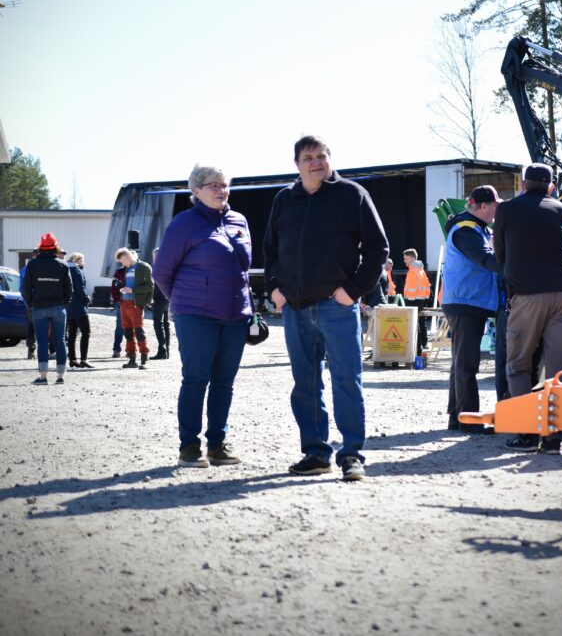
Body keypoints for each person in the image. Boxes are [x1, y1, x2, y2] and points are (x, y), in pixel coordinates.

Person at [264, 135, 389, 481]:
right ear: (297, 164)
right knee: (305, 383)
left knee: (347, 380)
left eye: (322, 156)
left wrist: (353, 291)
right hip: (295, 309)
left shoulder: (352, 195)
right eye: (309, 157)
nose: (316, 162)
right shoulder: (284, 200)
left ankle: (351, 455)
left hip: (337, 307)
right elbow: (270, 251)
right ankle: (316, 453)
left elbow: (378, 249)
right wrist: (275, 288)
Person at [154, 164, 252, 468]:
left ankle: (217, 445)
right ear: (196, 191)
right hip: (196, 315)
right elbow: (161, 272)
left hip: (236, 315)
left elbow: (245, 267)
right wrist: (185, 302)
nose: (221, 190)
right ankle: (189, 447)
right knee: (196, 379)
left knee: (225, 382)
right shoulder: (183, 224)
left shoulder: (239, 220)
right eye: (214, 185)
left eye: (225, 185)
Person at [492, 163, 562, 453]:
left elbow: (500, 252)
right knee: (559, 370)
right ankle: (554, 436)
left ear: (523, 184)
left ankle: (527, 434)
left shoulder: (507, 210)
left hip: (527, 295)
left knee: (518, 364)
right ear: (551, 186)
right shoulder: (561, 210)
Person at [442, 185, 502, 433]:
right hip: (466, 303)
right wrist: (521, 261)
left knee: (461, 363)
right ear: (483, 206)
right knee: (466, 364)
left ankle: (458, 417)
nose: (496, 212)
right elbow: (487, 260)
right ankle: (468, 421)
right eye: (495, 206)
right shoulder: (467, 230)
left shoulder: (473, 228)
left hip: (465, 301)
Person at [20, 233, 71, 385]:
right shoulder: (62, 264)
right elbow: (69, 289)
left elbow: (25, 288)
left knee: (41, 341)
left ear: (40, 248)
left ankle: (43, 377)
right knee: (60, 341)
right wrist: (64, 304)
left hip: (39, 307)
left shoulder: (33, 264)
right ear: (56, 247)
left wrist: (30, 303)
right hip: (58, 307)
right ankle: (60, 376)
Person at [114, 248, 153, 369]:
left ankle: (144, 359)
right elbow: (130, 285)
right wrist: (123, 287)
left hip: (135, 304)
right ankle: (132, 359)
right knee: (128, 332)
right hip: (124, 303)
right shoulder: (128, 268)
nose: (122, 263)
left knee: (138, 330)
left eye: (122, 261)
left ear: (128, 257)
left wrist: (132, 290)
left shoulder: (143, 266)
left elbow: (150, 286)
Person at [65, 252, 94, 369]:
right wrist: (87, 298)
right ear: (76, 261)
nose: (83, 263)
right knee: (86, 333)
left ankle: (72, 359)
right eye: (82, 260)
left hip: (69, 308)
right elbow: (80, 288)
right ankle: (83, 360)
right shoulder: (77, 271)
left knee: (72, 334)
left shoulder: (65, 271)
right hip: (79, 308)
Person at [402, 248, 431, 356]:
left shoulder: (413, 270)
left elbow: (412, 288)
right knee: (421, 323)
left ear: (412, 258)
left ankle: (417, 349)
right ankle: (423, 344)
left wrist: (408, 300)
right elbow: (426, 286)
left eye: (406, 258)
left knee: (414, 325)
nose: (404, 260)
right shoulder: (420, 269)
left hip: (413, 301)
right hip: (420, 299)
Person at [150, 247, 172, 360]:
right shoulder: (168, 266)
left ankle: (162, 351)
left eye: (154, 256)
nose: (153, 258)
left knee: (158, 324)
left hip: (159, 299)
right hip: (167, 298)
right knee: (165, 324)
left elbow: (156, 286)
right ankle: (166, 350)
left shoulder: (158, 267)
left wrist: (150, 298)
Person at [20, 251, 38, 360]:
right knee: (35, 324)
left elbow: (22, 287)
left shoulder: (26, 268)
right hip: (34, 300)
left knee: (32, 325)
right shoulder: (31, 268)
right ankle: (33, 350)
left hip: (30, 300)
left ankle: (31, 351)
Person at [110, 263, 126, 357]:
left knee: (133, 327)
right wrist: (117, 299)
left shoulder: (137, 270)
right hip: (121, 301)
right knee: (119, 326)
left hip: (134, 302)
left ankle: (131, 350)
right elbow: (114, 287)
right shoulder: (119, 271)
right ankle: (116, 349)